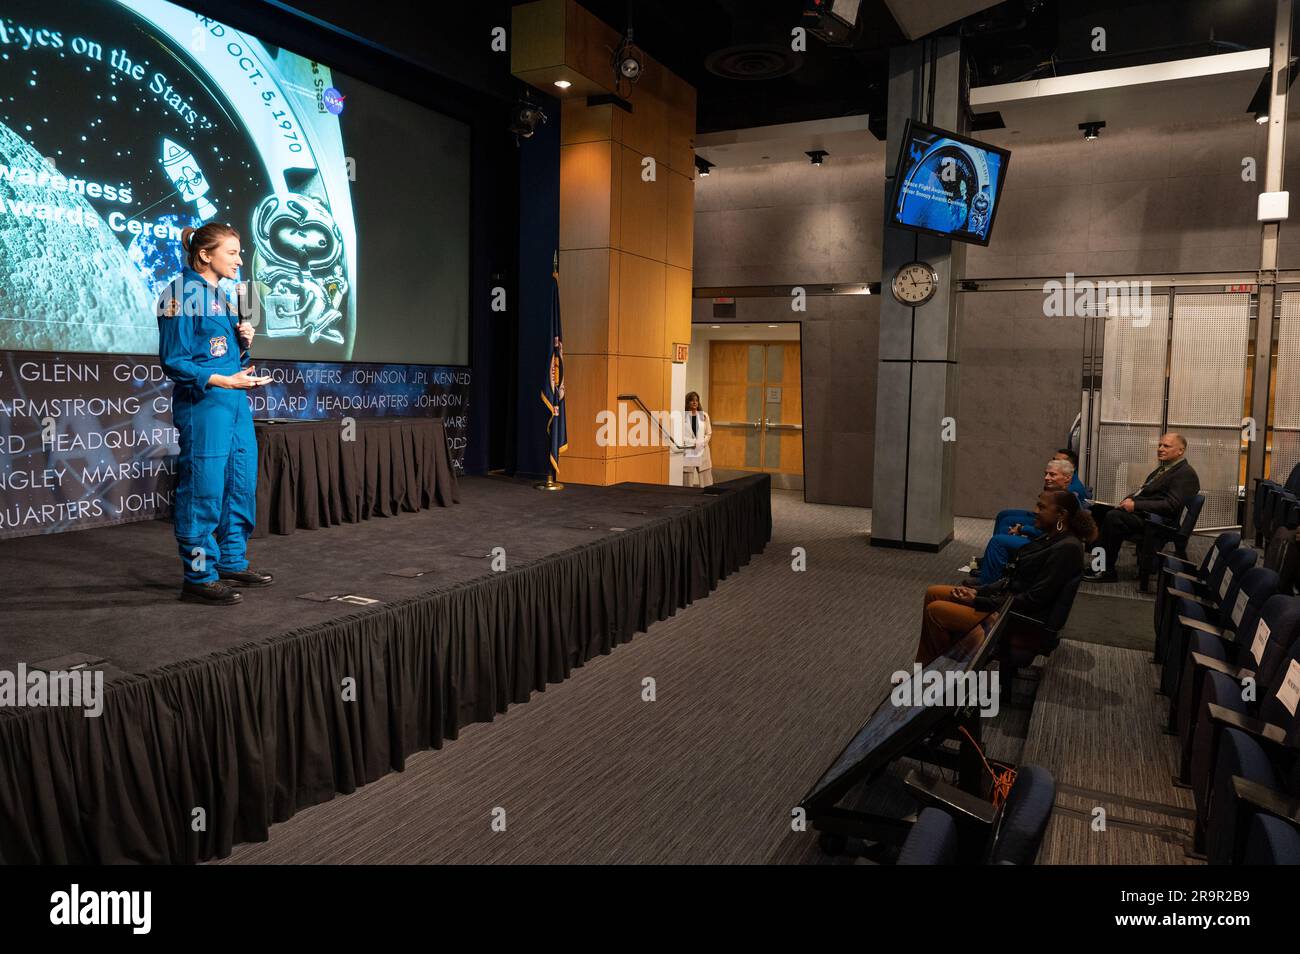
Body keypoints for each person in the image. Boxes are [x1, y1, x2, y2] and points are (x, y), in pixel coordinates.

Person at [157, 223, 273, 605]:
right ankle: (199, 575)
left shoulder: (223, 295)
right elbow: (175, 362)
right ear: (205, 255)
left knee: (239, 480)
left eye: (240, 253)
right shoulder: (178, 294)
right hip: (204, 404)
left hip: (234, 402)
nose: (240, 261)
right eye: (233, 253)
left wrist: (244, 345)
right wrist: (223, 381)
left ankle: (232, 560)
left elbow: (227, 356)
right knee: (203, 488)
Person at [917, 490, 1093, 665]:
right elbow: (1013, 581)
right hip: (1007, 605)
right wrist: (978, 590)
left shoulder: (1067, 548)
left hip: (1018, 621)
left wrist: (978, 600)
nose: (1035, 511)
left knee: (935, 611)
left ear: (1061, 514)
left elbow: (1033, 600)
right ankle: (929, 666)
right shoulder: (1052, 537)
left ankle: (946, 669)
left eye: (1042, 507)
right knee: (933, 592)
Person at [1083, 432, 1200, 583]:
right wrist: (1131, 498)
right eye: (1159, 445)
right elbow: (1147, 491)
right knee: (1098, 510)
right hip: (1147, 514)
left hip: (1159, 522)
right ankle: (1097, 564)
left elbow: (1171, 505)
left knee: (1114, 517)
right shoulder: (1165, 469)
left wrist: (1135, 505)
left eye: (1166, 446)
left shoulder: (1185, 474)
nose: (1160, 448)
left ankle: (1106, 570)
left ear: (1180, 450)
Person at [971, 459, 1085, 584]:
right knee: (1004, 520)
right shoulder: (1057, 494)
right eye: (1046, 473)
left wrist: (1022, 529)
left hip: (1048, 545)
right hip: (1046, 539)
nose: (1046, 477)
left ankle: (988, 583)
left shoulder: (1067, 500)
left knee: (998, 541)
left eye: (1052, 474)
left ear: (1067, 478)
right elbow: (1041, 520)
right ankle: (994, 571)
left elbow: (1049, 534)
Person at [683, 391, 713, 488]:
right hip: (689, 450)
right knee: (687, 482)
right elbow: (681, 435)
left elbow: (708, 433)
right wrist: (693, 443)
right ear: (687, 402)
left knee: (706, 482)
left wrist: (701, 443)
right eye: (692, 400)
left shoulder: (704, 415)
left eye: (696, 400)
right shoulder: (683, 417)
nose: (695, 402)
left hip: (702, 450)